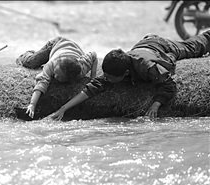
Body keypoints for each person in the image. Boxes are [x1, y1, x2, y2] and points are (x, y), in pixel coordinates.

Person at [50, 30, 210, 120]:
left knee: (197, 46)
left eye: (111, 78)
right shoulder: (116, 67)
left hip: (160, 46)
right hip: (142, 45)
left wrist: (156, 104)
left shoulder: (148, 68)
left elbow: (168, 84)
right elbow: (92, 88)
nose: (107, 80)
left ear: (126, 73)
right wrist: (63, 108)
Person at [16, 36, 98, 118]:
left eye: (58, 76)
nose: (54, 76)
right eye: (55, 72)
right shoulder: (52, 64)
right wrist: (32, 104)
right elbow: (41, 82)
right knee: (30, 62)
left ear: (68, 79)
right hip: (56, 43)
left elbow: (93, 55)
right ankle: (27, 54)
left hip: (72, 48)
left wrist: (92, 78)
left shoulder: (82, 67)